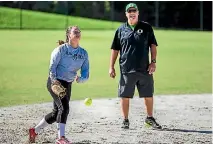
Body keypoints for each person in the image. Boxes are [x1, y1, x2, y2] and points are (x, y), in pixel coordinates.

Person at [29, 26, 89, 143]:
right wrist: (54, 81)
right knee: (64, 108)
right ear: (69, 35)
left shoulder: (83, 53)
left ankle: (34, 131)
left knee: (56, 113)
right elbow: (52, 67)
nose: (77, 33)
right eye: (75, 31)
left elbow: (86, 73)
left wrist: (80, 79)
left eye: (79, 32)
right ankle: (61, 138)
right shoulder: (60, 50)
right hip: (55, 82)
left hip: (68, 84)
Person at [109, 3, 161, 129]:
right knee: (125, 95)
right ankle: (125, 120)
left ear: (138, 13)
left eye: (134, 11)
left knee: (148, 94)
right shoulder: (120, 30)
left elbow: (153, 45)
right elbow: (115, 49)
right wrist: (111, 66)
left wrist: (153, 62)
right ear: (126, 14)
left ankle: (149, 118)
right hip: (126, 69)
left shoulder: (146, 27)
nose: (132, 13)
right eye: (129, 11)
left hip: (145, 69)